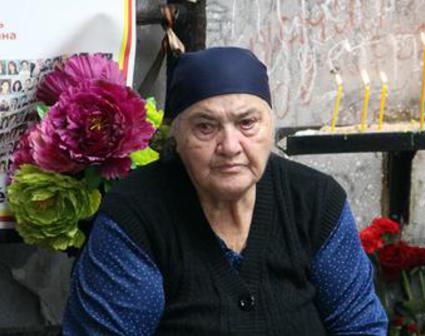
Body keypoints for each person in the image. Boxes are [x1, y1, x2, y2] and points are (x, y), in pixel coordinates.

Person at [63, 47, 388, 335]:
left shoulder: (315, 201)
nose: (230, 146)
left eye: (247, 123)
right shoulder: (136, 218)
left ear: (271, 128)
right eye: (206, 127)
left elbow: (359, 325)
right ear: (176, 137)